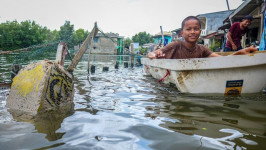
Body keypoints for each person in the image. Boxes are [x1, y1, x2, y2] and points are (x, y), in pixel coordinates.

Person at [147, 16, 257, 59]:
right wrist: (155, 54)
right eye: (188, 29)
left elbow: (222, 59)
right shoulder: (176, 44)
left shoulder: (202, 49)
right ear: (182, 33)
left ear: (200, 31)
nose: (193, 32)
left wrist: (241, 52)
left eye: (196, 29)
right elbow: (151, 54)